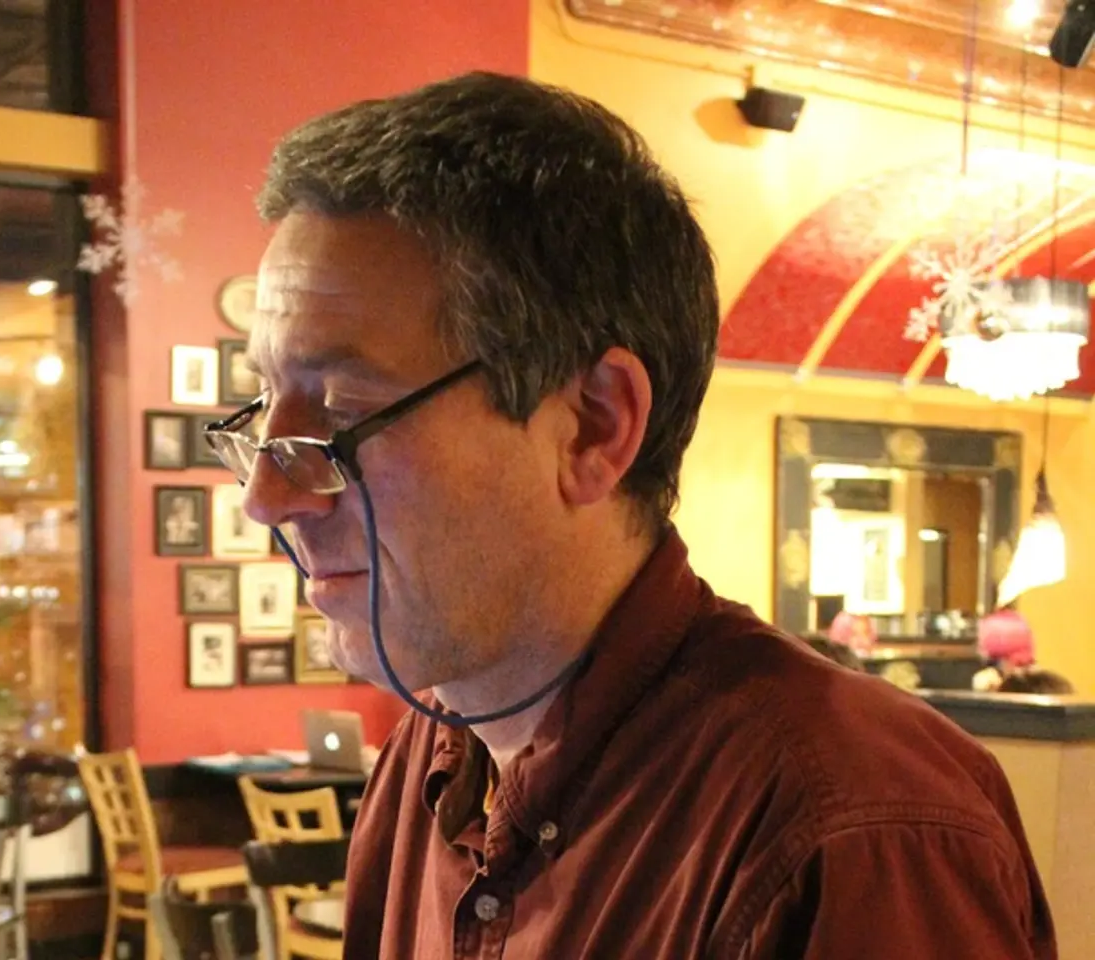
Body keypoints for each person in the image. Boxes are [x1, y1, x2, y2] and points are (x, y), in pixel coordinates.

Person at [228, 73, 1054, 958]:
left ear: (595, 424)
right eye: (264, 408)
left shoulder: (854, 825)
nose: (266, 498)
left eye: (345, 413)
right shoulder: (426, 761)